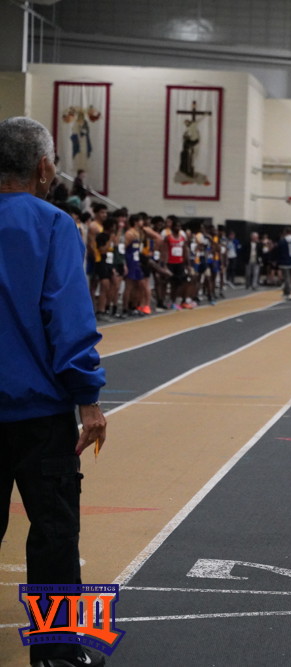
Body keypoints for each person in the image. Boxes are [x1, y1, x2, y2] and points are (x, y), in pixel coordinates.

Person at [0, 116, 108, 667]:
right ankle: (57, 653)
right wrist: (88, 397)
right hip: (39, 413)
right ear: (44, 168)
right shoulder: (53, 224)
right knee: (55, 531)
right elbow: (67, 317)